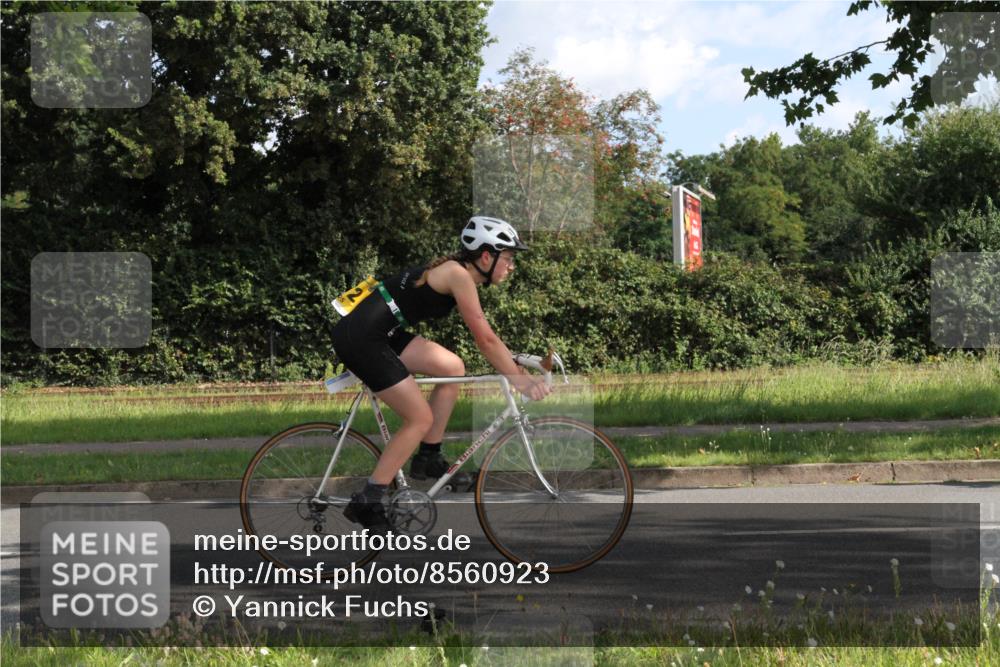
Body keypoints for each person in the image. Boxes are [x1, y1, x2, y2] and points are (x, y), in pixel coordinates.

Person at [331, 216, 551, 532]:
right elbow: (485, 339)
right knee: (419, 418)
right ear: (486, 257)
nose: (512, 266)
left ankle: (429, 457)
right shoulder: (458, 275)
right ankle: (369, 499)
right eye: (508, 258)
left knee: (452, 367)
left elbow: (489, 339)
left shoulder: (458, 273)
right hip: (363, 337)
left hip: (382, 332)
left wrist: (514, 363)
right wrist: (520, 380)